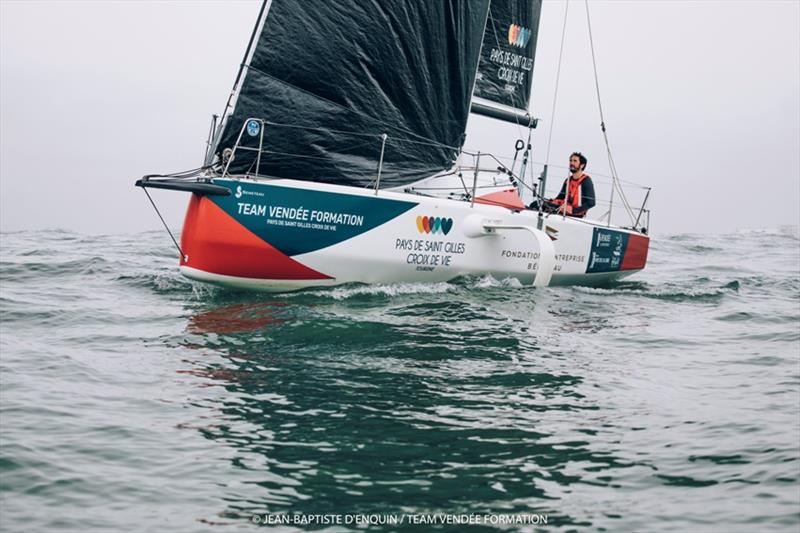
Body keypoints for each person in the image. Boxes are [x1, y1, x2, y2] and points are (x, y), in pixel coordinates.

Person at [543, 152, 596, 217]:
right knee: (539, 203)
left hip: (576, 213)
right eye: (570, 160)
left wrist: (574, 210)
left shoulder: (586, 181)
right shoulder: (568, 180)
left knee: (542, 205)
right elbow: (560, 197)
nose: (571, 163)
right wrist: (550, 202)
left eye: (575, 161)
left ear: (582, 165)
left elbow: (591, 202)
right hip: (564, 208)